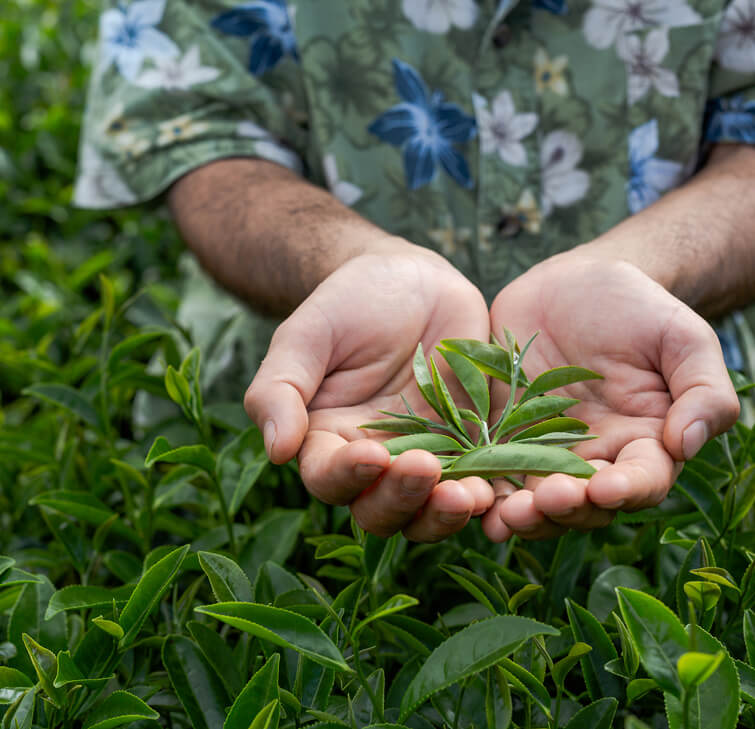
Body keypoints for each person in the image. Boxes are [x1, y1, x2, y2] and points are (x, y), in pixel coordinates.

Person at [74, 0, 754, 542]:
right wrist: (352, 262)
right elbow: (200, 135)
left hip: (658, 410)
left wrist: (638, 268)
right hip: (307, 401)